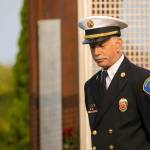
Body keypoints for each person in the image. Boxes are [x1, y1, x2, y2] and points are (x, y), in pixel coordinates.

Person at [78, 16, 150, 150]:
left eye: (101, 45)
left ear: (118, 44)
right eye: (92, 46)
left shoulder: (141, 80)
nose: (96, 52)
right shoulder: (90, 86)